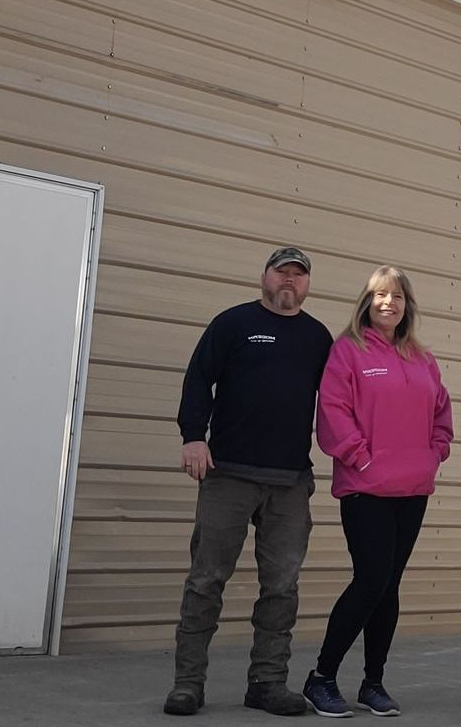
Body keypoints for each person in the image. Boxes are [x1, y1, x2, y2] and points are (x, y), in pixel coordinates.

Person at [167, 246, 334, 717]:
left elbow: (342, 399)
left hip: (290, 482)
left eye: (299, 275)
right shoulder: (232, 324)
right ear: (264, 276)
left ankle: (266, 682)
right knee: (205, 581)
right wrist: (192, 437)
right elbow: (198, 380)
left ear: (307, 285)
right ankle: (187, 683)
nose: (290, 280)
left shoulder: (318, 337)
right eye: (282, 271)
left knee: (281, 588)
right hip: (228, 475)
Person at [302, 265, 454, 718]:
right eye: (381, 295)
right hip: (365, 488)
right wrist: (360, 457)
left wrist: (436, 453)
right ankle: (321, 678)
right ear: (366, 302)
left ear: (408, 306)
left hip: (412, 488)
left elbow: (441, 412)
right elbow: (332, 411)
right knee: (370, 581)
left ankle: (373, 683)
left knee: (389, 586)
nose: (389, 303)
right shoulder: (347, 350)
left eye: (398, 297)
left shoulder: (422, 358)